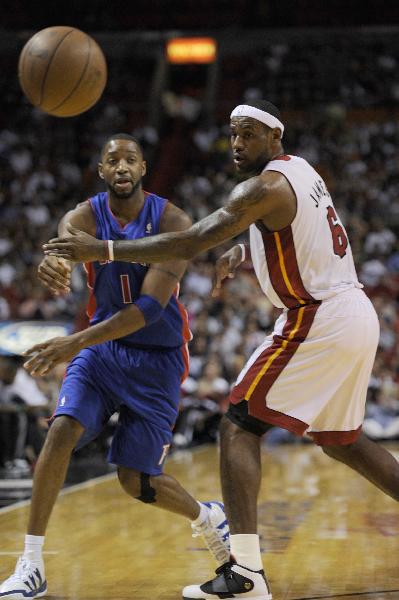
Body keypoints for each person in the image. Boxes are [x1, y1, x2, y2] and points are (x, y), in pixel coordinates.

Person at [41, 100, 399, 600]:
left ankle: (247, 575)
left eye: (247, 135)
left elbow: (188, 241)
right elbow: (288, 229)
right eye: (232, 134)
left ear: (274, 137)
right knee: (343, 441)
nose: (236, 144)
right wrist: (244, 250)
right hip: (354, 313)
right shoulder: (298, 172)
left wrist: (103, 249)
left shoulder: (262, 187)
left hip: (319, 315)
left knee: (238, 423)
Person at [0, 134, 230, 600]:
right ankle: (31, 563)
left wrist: (73, 341)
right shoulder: (85, 216)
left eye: (130, 159)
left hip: (156, 358)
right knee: (61, 431)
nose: (121, 166)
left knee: (136, 481)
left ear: (144, 168)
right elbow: (62, 241)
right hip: (103, 353)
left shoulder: (174, 221)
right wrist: (54, 264)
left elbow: (147, 309)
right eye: (112, 160)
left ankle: (207, 518)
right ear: (102, 172)